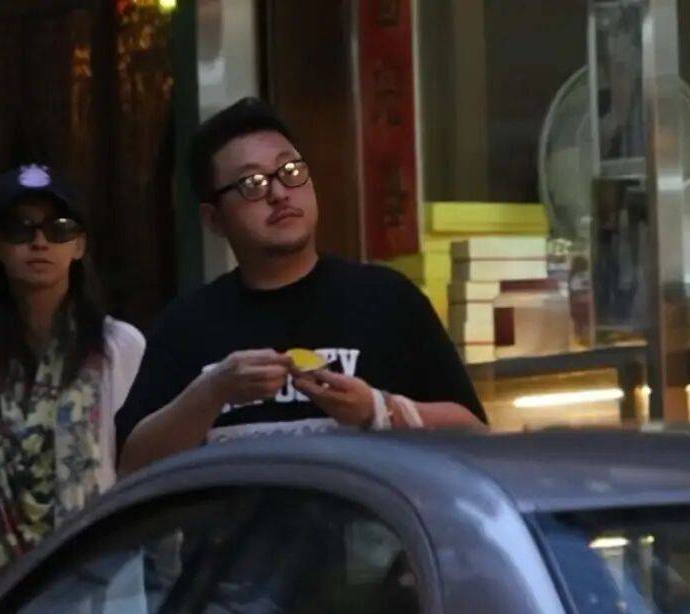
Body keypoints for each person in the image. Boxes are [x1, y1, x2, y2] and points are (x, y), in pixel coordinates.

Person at [117, 98, 486, 474]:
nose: (279, 193)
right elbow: (131, 467)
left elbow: (475, 436)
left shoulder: (386, 299)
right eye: (253, 183)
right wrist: (213, 391)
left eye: (290, 171)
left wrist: (378, 410)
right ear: (213, 219)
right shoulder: (187, 325)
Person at [0, 163, 144, 578]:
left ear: (79, 245)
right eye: (20, 229)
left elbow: (140, 462)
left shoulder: (119, 346)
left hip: (96, 573)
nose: (39, 242)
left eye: (58, 228)